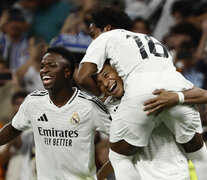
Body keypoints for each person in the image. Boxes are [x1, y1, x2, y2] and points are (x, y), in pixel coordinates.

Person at [74, 7, 207, 180]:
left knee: (119, 158)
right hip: (174, 88)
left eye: (93, 34)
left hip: (141, 96)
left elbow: (82, 77)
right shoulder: (152, 41)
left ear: (107, 28)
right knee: (199, 155)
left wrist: (102, 96)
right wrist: (177, 97)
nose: (92, 40)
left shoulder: (107, 38)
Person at [0, 46, 111, 180]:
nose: (44, 70)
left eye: (51, 65)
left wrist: (103, 174)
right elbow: (13, 128)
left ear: (67, 72)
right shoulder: (33, 102)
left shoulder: (89, 105)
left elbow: (123, 137)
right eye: (42, 66)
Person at [95, 61, 192, 180]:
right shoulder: (109, 108)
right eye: (99, 83)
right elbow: (121, 155)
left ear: (119, 71)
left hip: (174, 174)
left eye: (106, 75)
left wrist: (178, 98)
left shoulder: (152, 90)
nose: (105, 84)